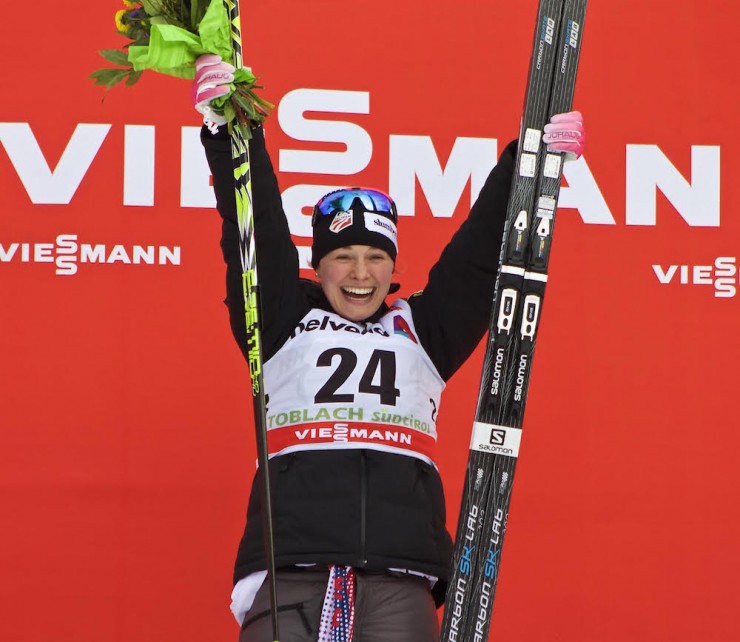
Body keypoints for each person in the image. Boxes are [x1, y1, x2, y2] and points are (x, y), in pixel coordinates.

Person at [194, 55, 584, 642]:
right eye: (343, 258)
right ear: (317, 267)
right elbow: (252, 228)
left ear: (393, 266)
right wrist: (229, 130)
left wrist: (531, 168)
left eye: (376, 257)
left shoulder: (423, 330)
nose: (360, 273)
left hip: (401, 576)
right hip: (293, 568)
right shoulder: (278, 320)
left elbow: (479, 258)